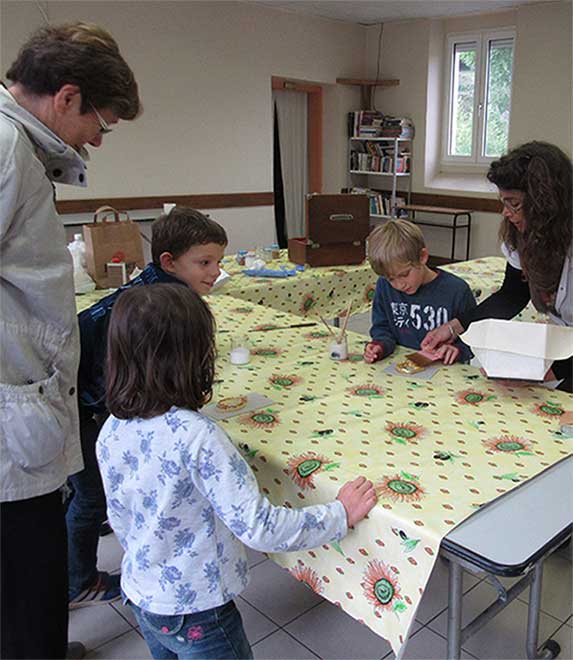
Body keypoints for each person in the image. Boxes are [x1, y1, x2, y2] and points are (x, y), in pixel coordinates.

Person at [96, 283, 377, 659]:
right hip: (198, 612)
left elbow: (120, 517)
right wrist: (338, 514)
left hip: (144, 596)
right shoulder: (199, 437)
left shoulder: (112, 427)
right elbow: (259, 527)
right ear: (193, 357)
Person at [0, 22, 140, 659]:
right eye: (101, 124)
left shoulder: (20, 150)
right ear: (66, 97)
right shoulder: (5, 149)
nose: (97, 141)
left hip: (22, 401)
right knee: (25, 566)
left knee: (32, 565)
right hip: (11, 410)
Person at [68, 208, 227, 608]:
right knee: (88, 498)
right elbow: (122, 383)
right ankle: (77, 580)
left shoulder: (161, 292)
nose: (215, 273)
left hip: (95, 405)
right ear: (170, 262)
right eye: (204, 263)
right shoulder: (153, 306)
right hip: (81, 410)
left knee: (96, 494)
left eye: (219, 262)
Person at [421, 141, 573, 392]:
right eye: (503, 201)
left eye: (513, 202)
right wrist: (455, 327)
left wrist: (543, 373)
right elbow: (512, 295)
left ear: (544, 203)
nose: (505, 212)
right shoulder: (521, 239)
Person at [364, 219, 476, 365]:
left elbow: (476, 339)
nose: (399, 285)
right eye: (391, 279)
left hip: (447, 375)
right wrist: (379, 346)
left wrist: (457, 349)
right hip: (400, 372)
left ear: (422, 257)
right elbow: (382, 328)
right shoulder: (384, 286)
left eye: (404, 274)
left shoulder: (457, 290)